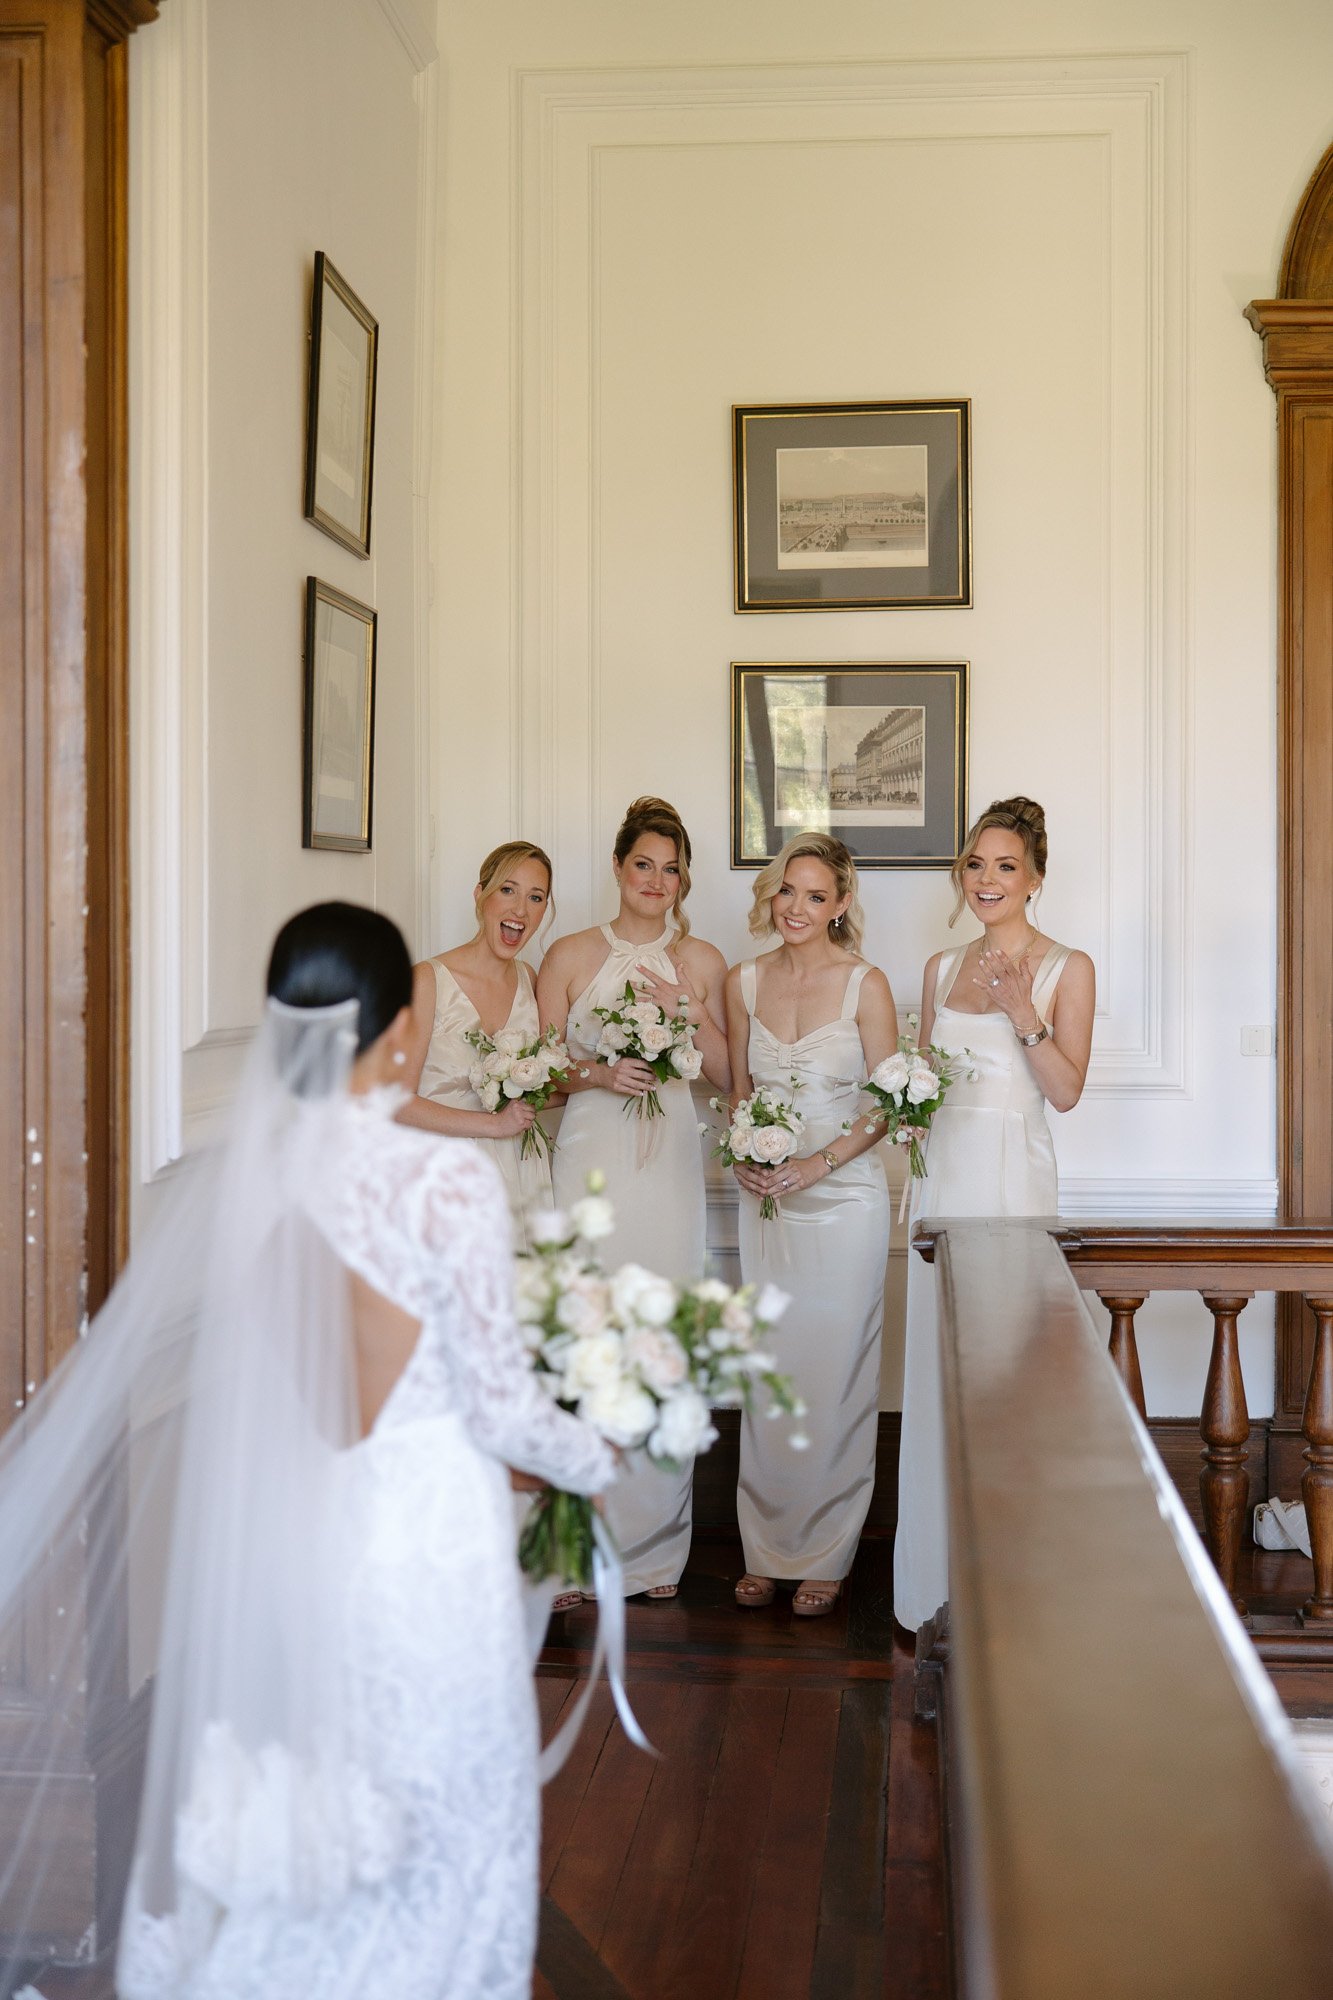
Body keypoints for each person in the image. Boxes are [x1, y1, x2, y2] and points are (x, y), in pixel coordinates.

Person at [0, 900, 614, 2000]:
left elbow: (308, 1391)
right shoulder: (443, 1181)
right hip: (428, 1530)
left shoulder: (258, 1182)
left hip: (313, 1527)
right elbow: (502, 1413)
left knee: (336, 1773)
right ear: (396, 1030)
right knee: (451, 1788)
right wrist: (609, 1446)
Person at [893, 797, 1095, 1633]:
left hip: (1013, 1181)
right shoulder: (939, 968)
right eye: (975, 863)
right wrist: (906, 1104)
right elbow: (926, 1073)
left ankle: (1003, 1599)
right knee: (938, 1370)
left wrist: (1024, 1014)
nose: (985, 879)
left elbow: (1065, 1091)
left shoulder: (1066, 966)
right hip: (942, 1177)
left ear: (1034, 878)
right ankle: (926, 1589)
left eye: (1004, 866)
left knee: (1004, 1377)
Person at [538, 797, 730, 1599]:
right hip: (592, 1156)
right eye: (643, 864)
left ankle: (652, 1551)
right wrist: (595, 1071)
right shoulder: (572, 954)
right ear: (619, 868)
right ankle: (579, 1550)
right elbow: (539, 1072)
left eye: (671, 868)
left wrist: (684, 1010)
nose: (656, 880)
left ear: (683, 880)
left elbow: (726, 1075)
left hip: (667, 1168)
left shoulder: (706, 961)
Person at [726, 833, 897, 1617]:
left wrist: (817, 1165)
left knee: (834, 1375)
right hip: (766, 1202)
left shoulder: (865, 984)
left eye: (815, 895)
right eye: (787, 891)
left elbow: (888, 1104)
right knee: (770, 1370)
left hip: (843, 1200)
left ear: (841, 905)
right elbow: (734, 1094)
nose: (797, 907)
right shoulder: (743, 981)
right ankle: (765, 1548)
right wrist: (742, 1160)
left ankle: (826, 1551)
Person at [398, 839, 554, 1248]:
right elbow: (397, 1102)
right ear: (479, 895)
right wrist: (493, 1126)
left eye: (535, 898)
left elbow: (545, 1089)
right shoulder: (427, 981)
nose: (520, 910)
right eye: (508, 889)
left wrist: (604, 1075)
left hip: (520, 1171)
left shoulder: (531, 981)